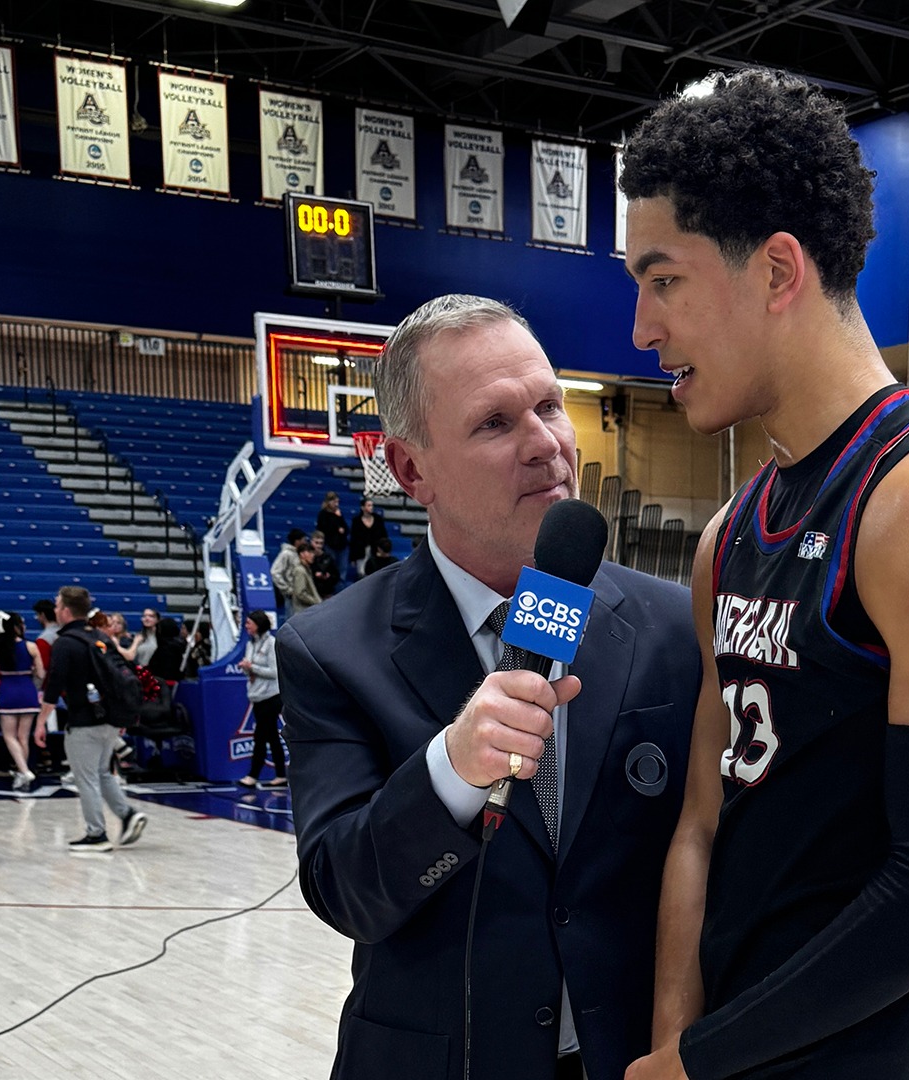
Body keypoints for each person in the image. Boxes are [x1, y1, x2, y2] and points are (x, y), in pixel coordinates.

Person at [621, 72, 909, 1080]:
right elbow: (698, 825)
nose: (643, 329)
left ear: (777, 270)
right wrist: (672, 1045)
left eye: (664, 280)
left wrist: (700, 1059)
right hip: (731, 1052)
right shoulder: (726, 538)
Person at [280, 293, 699, 1080]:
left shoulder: (673, 626)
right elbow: (347, 893)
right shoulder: (331, 650)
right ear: (411, 469)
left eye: (549, 405)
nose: (547, 445)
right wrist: (452, 770)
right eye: (494, 423)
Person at [37, 586, 148, 853]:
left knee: (85, 778)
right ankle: (127, 814)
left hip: (83, 721)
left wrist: (41, 721)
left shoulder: (65, 642)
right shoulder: (98, 637)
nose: (54, 608)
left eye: (56, 604)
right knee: (102, 773)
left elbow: (54, 686)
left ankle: (96, 833)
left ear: (65, 610)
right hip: (110, 718)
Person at [0, 611, 43, 789]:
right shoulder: (31, 646)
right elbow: (41, 674)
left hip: (8, 691)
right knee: (23, 737)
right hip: (27, 691)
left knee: (9, 736)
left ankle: (24, 771)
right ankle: (22, 772)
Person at [235, 611, 284, 789]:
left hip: (271, 696)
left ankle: (253, 775)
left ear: (258, 624)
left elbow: (274, 671)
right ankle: (281, 774)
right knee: (271, 736)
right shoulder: (250, 644)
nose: (246, 626)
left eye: (249, 623)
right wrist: (247, 668)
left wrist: (252, 667)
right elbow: (249, 669)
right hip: (257, 696)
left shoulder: (271, 643)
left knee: (261, 737)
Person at [276, 540, 322, 620]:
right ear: (302, 554)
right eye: (310, 553)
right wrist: (315, 601)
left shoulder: (306, 569)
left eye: (313, 553)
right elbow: (300, 593)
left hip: (305, 611)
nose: (313, 555)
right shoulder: (300, 570)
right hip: (302, 611)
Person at [348, 495, 389, 579]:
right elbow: (353, 539)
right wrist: (353, 557)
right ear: (363, 507)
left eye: (372, 505)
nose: (371, 507)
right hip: (361, 551)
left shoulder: (378, 519)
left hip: (376, 550)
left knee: (375, 572)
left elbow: (384, 535)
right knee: (361, 573)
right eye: (369, 505)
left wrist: (384, 549)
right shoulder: (356, 521)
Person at [315, 491, 349, 568]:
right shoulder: (323, 514)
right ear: (329, 502)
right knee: (331, 566)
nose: (336, 504)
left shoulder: (338, 514)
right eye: (334, 502)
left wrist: (339, 517)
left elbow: (345, 529)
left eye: (337, 502)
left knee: (342, 567)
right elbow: (325, 528)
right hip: (330, 544)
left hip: (341, 544)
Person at [309, 530, 342, 598]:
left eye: (321, 543)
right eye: (316, 543)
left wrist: (328, 577)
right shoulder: (306, 556)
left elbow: (336, 576)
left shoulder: (328, 558)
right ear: (311, 541)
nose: (318, 546)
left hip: (326, 593)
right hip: (310, 594)